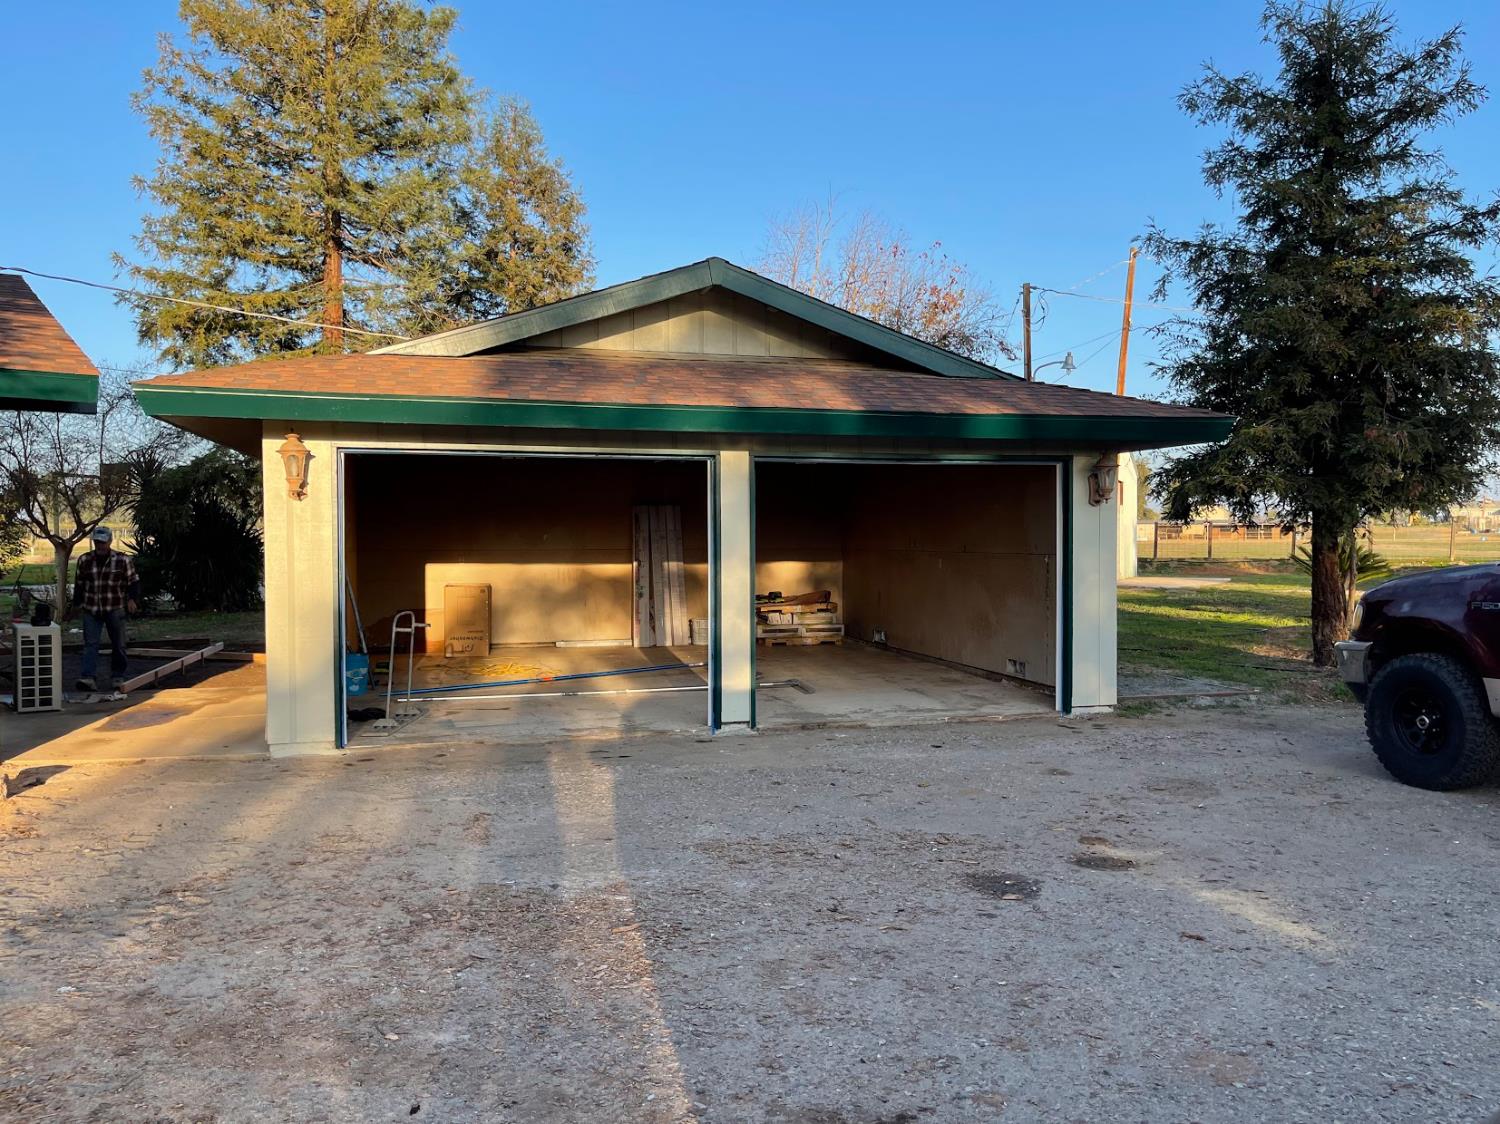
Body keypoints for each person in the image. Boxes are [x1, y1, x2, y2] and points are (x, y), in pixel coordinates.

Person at [69, 527, 140, 692]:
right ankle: (88, 677)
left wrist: (132, 599)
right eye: (97, 543)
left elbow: (133, 581)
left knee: (119, 644)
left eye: (102, 543)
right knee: (90, 644)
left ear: (109, 542)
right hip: (91, 608)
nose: (99, 546)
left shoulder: (123, 560)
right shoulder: (85, 560)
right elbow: (79, 585)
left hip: (114, 607)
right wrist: (76, 605)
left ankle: (117, 676)